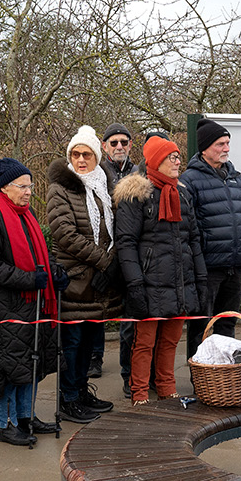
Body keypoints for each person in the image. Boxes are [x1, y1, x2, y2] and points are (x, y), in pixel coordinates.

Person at [0, 158, 65, 446]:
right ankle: (3, 425)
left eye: (30, 186)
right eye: (23, 186)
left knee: (29, 363)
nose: (29, 191)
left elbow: (38, 255)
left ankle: (26, 417)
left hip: (31, 303)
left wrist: (53, 273)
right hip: (6, 305)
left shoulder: (24, 214)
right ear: (6, 187)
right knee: (8, 366)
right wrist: (30, 280)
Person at [115, 136, 208, 405]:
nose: (178, 161)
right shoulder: (137, 194)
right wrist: (134, 284)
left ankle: (167, 388)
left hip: (178, 282)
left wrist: (199, 279)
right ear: (156, 161)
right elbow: (127, 242)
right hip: (148, 282)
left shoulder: (182, 193)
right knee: (144, 343)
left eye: (178, 156)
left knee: (170, 341)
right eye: (172, 157)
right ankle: (140, 393)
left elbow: (193, 239)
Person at [47, 126, 120, 424]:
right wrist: (104, 262)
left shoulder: (103, 185)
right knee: (72, 344)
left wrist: (110, 262)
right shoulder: (60, 188)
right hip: (75, 279)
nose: (80, 159)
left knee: (91, 340)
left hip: (98, 283)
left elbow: (112, 232)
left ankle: (81, 391)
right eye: (75, 154)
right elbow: (64, 234)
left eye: (86, 154)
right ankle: (68, 399)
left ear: (96, 157)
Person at [181, 118, 241, 358]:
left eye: (227, 143)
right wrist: (197, 265)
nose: (226, 148)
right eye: (220, 144)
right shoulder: (189, 180)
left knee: (227, 326)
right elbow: (188, 228)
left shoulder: (237, 178)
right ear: (204, 148)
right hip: (208, 269)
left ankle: (224, 378)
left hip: (235, 267)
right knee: (200, 327)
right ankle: (201, 378)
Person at [92, 123, 143, 379]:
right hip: (104, 252)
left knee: (129, 317)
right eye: (114, 143)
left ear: (131, 144)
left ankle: (129, 371)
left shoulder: (139, 172)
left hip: (131, 252)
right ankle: (94, 358)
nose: (119, 146)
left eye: (124, 142)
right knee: (97, 311)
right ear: (104, 146)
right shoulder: (96, 172)